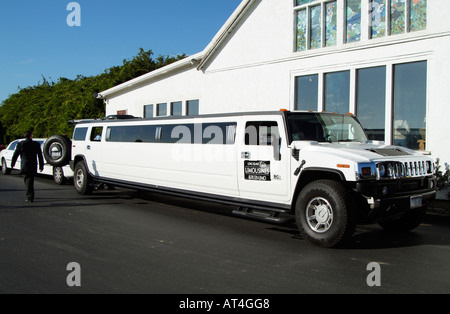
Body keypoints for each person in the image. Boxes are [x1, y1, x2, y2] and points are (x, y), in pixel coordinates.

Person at [11, 131, 44, 202]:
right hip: (33, 164)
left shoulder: (21, 144)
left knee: (26, 180)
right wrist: (41, 165)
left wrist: (12, 163)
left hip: (25, 164)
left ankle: (29, 196)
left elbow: (15, 154)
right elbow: (40, 155)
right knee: (30, 180)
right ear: (31, 136)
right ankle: (30, 194)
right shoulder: (36, 144)